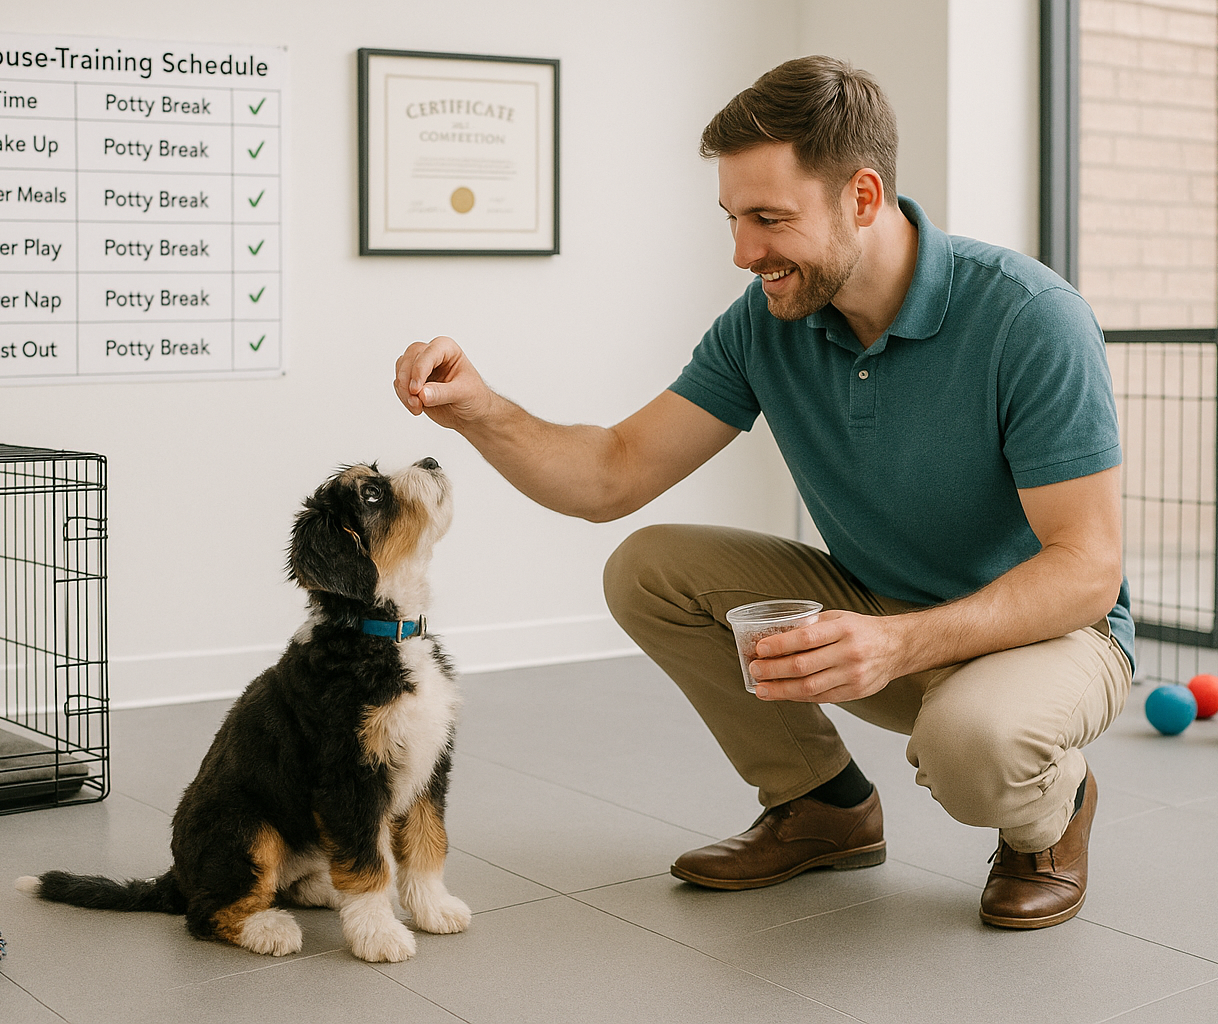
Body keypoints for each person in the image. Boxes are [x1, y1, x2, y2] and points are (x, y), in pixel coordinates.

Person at [392, 55, 1133, 930]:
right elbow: (613, 473)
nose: (744, 252)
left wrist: (898, 644)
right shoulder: (766, 322)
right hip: (876, 618)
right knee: (650, 568)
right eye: (733, 218)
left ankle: (1050, 821)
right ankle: (823, 807)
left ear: (862, 196)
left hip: (1047, 635)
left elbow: (1086, 570)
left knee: (974, 745)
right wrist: (481, 411)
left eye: (769, 219)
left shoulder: (1027, 317)